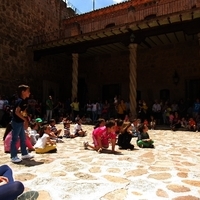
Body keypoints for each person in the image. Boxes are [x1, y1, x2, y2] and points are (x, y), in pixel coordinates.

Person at [10, 84, 34, 163]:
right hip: (16, 122)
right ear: (23, 92)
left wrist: (26, 119)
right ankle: (13, 156)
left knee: (23, 139)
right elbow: (17, 112)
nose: (29, 93)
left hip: (20, 122)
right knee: (15, 139)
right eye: (28, 91)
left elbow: (23, 112)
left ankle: (24, 153)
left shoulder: (24, 101)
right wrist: (25, 120)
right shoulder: (20, 101)